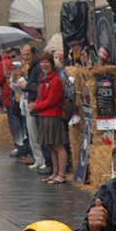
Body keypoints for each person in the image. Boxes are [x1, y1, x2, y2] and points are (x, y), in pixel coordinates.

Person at [30, 53, 68, 185]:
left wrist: (36, 106)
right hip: (44, 115)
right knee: (52, 146)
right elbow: (40, 96)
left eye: (46, 62)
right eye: (41, 62)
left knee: (58, 145)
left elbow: (52, 100)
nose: (43, 65)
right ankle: (55, 172)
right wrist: (35, 104)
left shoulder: (55, 80)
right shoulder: (43, 78)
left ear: (51, 64)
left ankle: (62, 174)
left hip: (53, 115)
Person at [16, 44, 50, 174]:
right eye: (24, 55)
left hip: (36, 106)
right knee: (33, 135)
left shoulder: (37, 69)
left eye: (27, 54)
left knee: (38, 135)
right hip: (31, 105)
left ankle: (43, 160)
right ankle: (39, 159)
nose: (25, 57)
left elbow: (39, 87)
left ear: (35, 54)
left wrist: (27, 84)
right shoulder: (31, 68)